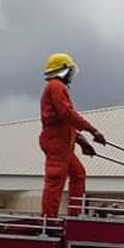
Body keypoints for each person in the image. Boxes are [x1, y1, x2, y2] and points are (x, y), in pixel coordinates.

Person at [40, 52, 106, 218]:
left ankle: (74, 216)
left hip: (62, 140)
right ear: (64, 70)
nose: (71, 76)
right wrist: (93, 131)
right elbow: (67, 114)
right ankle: (48, 221)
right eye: (70, 72)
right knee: (55, 181)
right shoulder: (56, 86)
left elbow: (65, 121)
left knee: (78, 174)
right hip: (56, 142)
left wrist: (81, 141)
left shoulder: (56, 87)